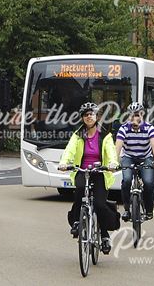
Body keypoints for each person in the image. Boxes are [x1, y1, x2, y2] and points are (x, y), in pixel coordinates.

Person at [58, 102, 120, 254]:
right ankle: (77, 221)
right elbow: (69, 150)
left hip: (100, 172)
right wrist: (64, 163)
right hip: (83, 170)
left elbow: (111, 151)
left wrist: (112, 163)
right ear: (82, 118)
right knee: (79, 190)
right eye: (86, 115)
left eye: (91, 114)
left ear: (97, 117)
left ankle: (104, 235)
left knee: (99, 204)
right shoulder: (77, 135)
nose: (89, 117)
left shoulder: (105, 135)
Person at [114, 102, 154, 223]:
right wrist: (114, 161)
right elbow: (118, 146)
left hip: (146, 157)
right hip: (128, 157)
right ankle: (127, 209)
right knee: (127, 180)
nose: (134, 118)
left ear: (142, 115)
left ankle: (149, 209)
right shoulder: (124, 128)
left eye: (137, 115)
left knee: (149, 182)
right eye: (131, 115)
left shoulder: (149, 128)